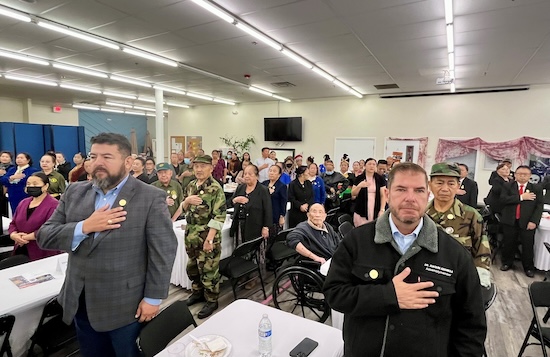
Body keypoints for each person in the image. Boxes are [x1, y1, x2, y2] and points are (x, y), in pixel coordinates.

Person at [323, 162, 486, 357]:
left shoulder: (454, 254)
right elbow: (334, 293)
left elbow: (471, 324)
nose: (410, 198)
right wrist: (388, 296)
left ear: (427, 195)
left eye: (418, 191)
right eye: (401, 189)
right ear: (388, 194)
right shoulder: (357, 241)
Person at [36, 133, 177, 357]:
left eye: (107, 157)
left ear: (128, 162)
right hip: (80, 301)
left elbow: (163, 252)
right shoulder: (74, 192)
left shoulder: (149, 197)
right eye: (93, 156)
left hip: (125, 304)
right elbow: (45, 236)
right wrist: (84, 227)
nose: (97, 163)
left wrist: (153, 297)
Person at [425, 163, 491, 287]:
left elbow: (482, 251)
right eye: (439, 183)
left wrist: (480, 283)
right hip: (425, 280)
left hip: (460, 281)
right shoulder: (420, 214)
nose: (445, 188)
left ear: (458, 186)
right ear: (430, 185)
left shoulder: (471, 216)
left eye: (451, 183)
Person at [180, 155, 227, 319]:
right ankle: (197, 293)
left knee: (209, 270)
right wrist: (187, 201)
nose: (199, 169)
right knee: (192, 268)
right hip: (191, 236)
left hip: (207, 236)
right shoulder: (191, 185)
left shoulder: (216, 189)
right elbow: (183, 208)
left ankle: (212, 301)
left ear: (211, 168)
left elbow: (219, 216)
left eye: (203, 166)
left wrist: (210, 239)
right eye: (196, 166)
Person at [499, 165, 543, 277]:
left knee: (528, 246)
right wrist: (521, 197)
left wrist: (534, 221)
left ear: (529, 176)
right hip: (510, 220)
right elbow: (503, 200)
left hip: (528, 222)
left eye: (525, 174)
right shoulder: (508, 186)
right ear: (515, 175)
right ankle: (506, 263)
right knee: (508, 243)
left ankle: (528, 268)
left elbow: (539, 206)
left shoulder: (536, 188)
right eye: (520, 174)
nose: (522, 176)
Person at [8, 172, 61, 261]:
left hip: (43, 251)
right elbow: (13, 223)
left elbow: (51, 228)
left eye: (35, 184)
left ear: (45, 186)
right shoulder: (24, 202)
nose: (31, 186)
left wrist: (25, 238)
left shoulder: (54, 205)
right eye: (28, 184)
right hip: (21, 248)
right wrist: (14, 235)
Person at [351, 158, 387, 226]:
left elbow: (383, 195)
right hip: (361, 209)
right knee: (361, 230)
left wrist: (382, 209)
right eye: (369, 164)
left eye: (374, 164)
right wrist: (359, 186)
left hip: (375, 207)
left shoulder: (380, 178)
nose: (372, 166)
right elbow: (353, 193)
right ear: (365, 166)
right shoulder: (359, 178)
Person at [262, 165, 288, 238]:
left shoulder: (282, 186)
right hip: (264, 214)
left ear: (279, 175)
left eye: (274, 171)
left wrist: (282, 216)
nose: (271, 173)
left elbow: (283, 201)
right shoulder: (264, 184)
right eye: (270, 171)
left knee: (274, 237)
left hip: (275, 214)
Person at [0, 151, 14, 217]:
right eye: (2, 156)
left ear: (10, 159)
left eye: (7, 157)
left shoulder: (12, 168)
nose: (4, 158)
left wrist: (4, 175)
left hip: (6, 192)